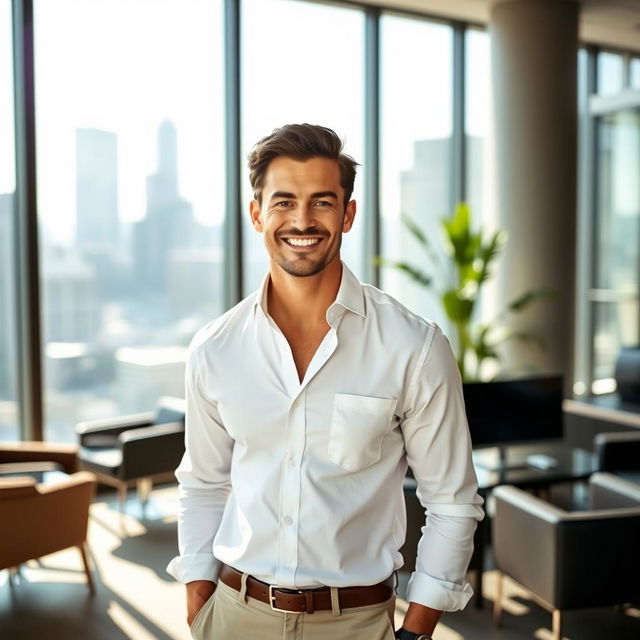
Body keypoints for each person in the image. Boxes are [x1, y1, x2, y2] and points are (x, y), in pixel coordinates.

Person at [166, 123, 485, 640]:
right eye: (284, 202)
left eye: (321, 202)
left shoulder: (414, 346)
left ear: (347, 214)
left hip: (356, 623)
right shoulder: (215, 348)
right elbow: (203, 483)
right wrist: (199, 597)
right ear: (257, 214)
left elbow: (452, 501)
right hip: (232, 614)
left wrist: (417, 630)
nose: (302, 220)